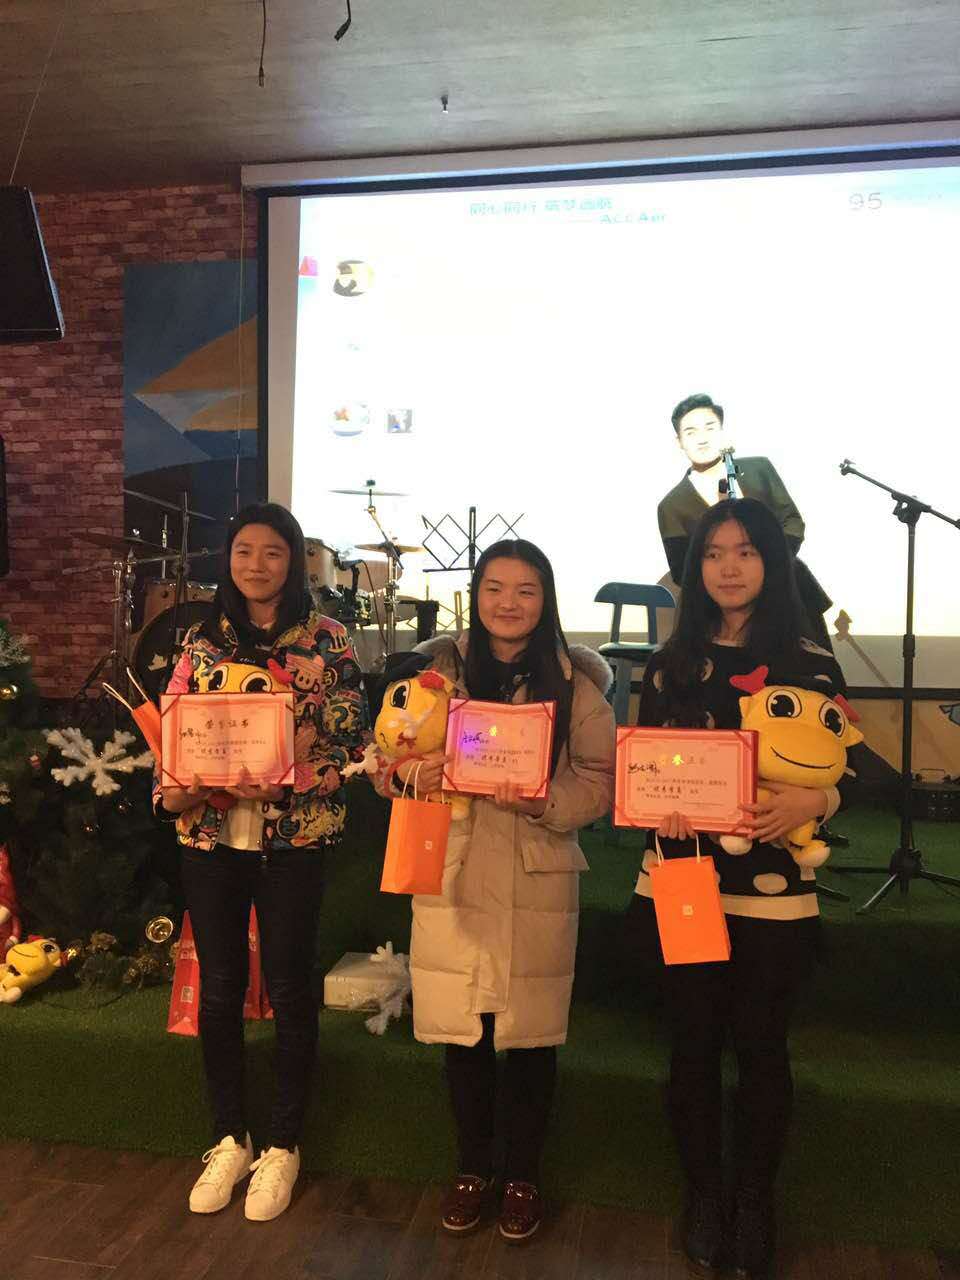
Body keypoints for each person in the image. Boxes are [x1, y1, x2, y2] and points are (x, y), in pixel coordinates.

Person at [629, 498, 867, 1278]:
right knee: (692, 1046)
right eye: (713, 553)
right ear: (694, 567)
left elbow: (853, 768)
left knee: (763, 1049)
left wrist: (815, 800)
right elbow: (645, 766)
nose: (728, 568)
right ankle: (705, 1196)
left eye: (745, 552)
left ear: (772, 561)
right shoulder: (669, 663)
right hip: (683, 880)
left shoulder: (811, 661)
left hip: (773, 893)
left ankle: (754, 1201)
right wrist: (657, 808)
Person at [371, 539, 615, 1242]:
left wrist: (547, 801)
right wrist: (408, 774)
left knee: (533, 1039)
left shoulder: (576, 684)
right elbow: (386, 751)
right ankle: (473, 1167)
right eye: (495, 589)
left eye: (526, 590)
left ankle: (523, 1176)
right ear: (475, 596)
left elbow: (599, 779)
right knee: (463, 1034)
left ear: (547, 600)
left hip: (536, 866)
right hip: (454, 866)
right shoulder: (433, 674)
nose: (508, 603)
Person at [154, 502, 367, 1221]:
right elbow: (173, 733)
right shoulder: (201, 640)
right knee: (219, 990)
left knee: (288, 986)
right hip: (210, 838)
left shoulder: (329, 641)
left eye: (273, 552)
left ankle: (283, 1142)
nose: (257, 564)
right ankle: (229, 1137)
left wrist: (287, 777)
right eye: (244, 550)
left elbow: (352, 747)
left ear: (294, 561)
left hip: (293, 838)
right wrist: (180, 789)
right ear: (228, 558)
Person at [657, 393, 834, 651]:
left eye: (710, 428)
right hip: (720, 615)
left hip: (789, 593)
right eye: (691, 432)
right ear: (679, 442)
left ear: (722, 431)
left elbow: (792, 522)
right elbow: (682, 570)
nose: (702, 438)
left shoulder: (759, 469)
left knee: (809, 667)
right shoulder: (672, 505)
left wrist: (769, 565)